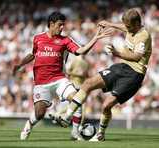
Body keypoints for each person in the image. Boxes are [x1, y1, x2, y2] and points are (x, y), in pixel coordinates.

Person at [13, 11, 112, 140]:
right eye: (59, 25)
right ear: (51, 24)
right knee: (40, 114)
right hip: (41, 83)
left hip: (59, 79)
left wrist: (95, 38)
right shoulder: (38, 38)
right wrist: (20, 65)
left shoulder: (65, 40)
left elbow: (81, 50)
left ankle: (75, 133)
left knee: (77, 99)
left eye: (63, 25)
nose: (62, 28)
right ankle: (28, 126)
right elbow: (32, 54)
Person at [56, 8, 152, 141]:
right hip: (122, 67)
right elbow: (123, 27)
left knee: (106, 105)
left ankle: (100, 134)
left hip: (134, 74)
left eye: (129, 26)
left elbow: (136, 57)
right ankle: (66, 116)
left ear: (137, 24)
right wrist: (110, 23)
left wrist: (116, 53)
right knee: (88, 83)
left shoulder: (144, 35)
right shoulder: (131, 27)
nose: (127, 29)